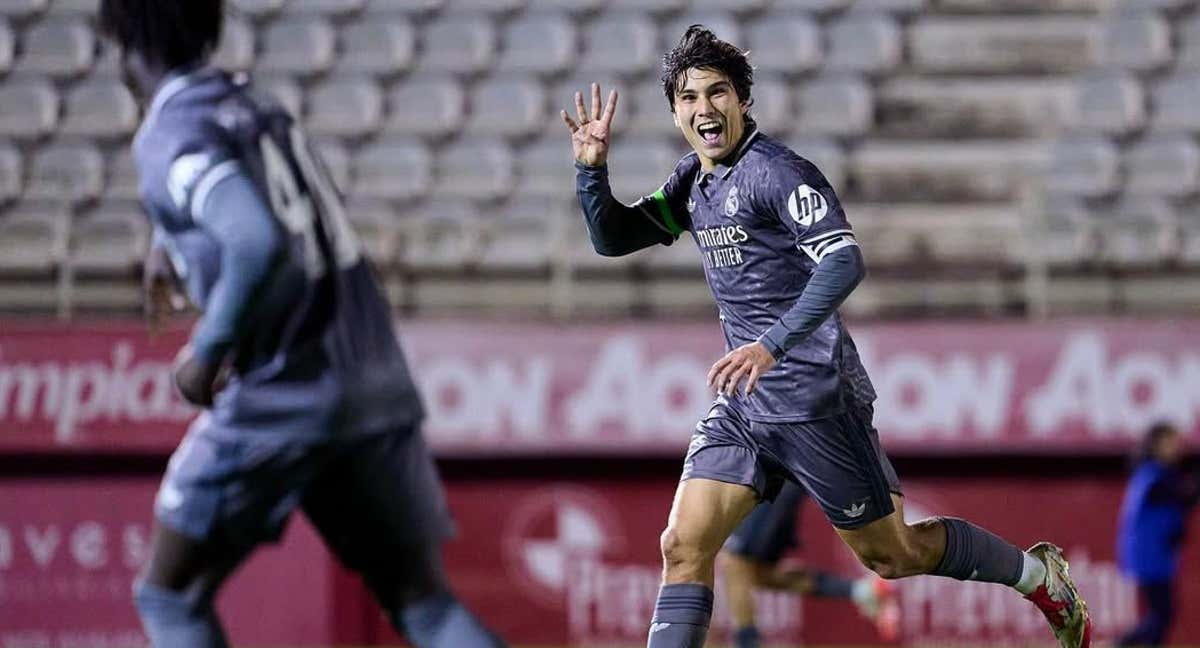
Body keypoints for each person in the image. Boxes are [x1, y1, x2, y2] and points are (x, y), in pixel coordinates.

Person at [561, 25, 1091, 648]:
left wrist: (771, 344)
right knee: (683, 546)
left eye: (718, 93)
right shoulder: (693, 183)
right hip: (744, 406)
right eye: (689, 97)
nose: (705, 109)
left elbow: (844, 261)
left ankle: (1036, 576)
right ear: (675, 111)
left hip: (815, 399)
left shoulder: (777, 173)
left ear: (744, 100)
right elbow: (613, 239)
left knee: (893, 555)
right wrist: (591, 174)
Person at [99, 2, 506, 647]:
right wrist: (166, 239)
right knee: (425, 606)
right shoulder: (256, 103)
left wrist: (207, 350)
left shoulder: (171, 131)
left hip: (282, 394)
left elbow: (258, 241)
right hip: (373, 376)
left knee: (170, 596)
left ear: (118, 41)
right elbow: (266, 204)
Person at [721, 482, 899, 648]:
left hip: (773, 481)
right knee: (756, 574)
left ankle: (747, 642)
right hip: (767, 481)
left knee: (736, 561)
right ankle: (863, 590)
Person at [1117, 422, 1199, 647]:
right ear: (1155, 445)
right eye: (1170, 442)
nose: (1176, 448)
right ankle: (1121, 644)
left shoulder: (1162, 474)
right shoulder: (1153, 476)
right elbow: (1181, 496)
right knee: (1163, 614)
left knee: (1163, 615)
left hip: (1159, 557)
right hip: (1149, 557)